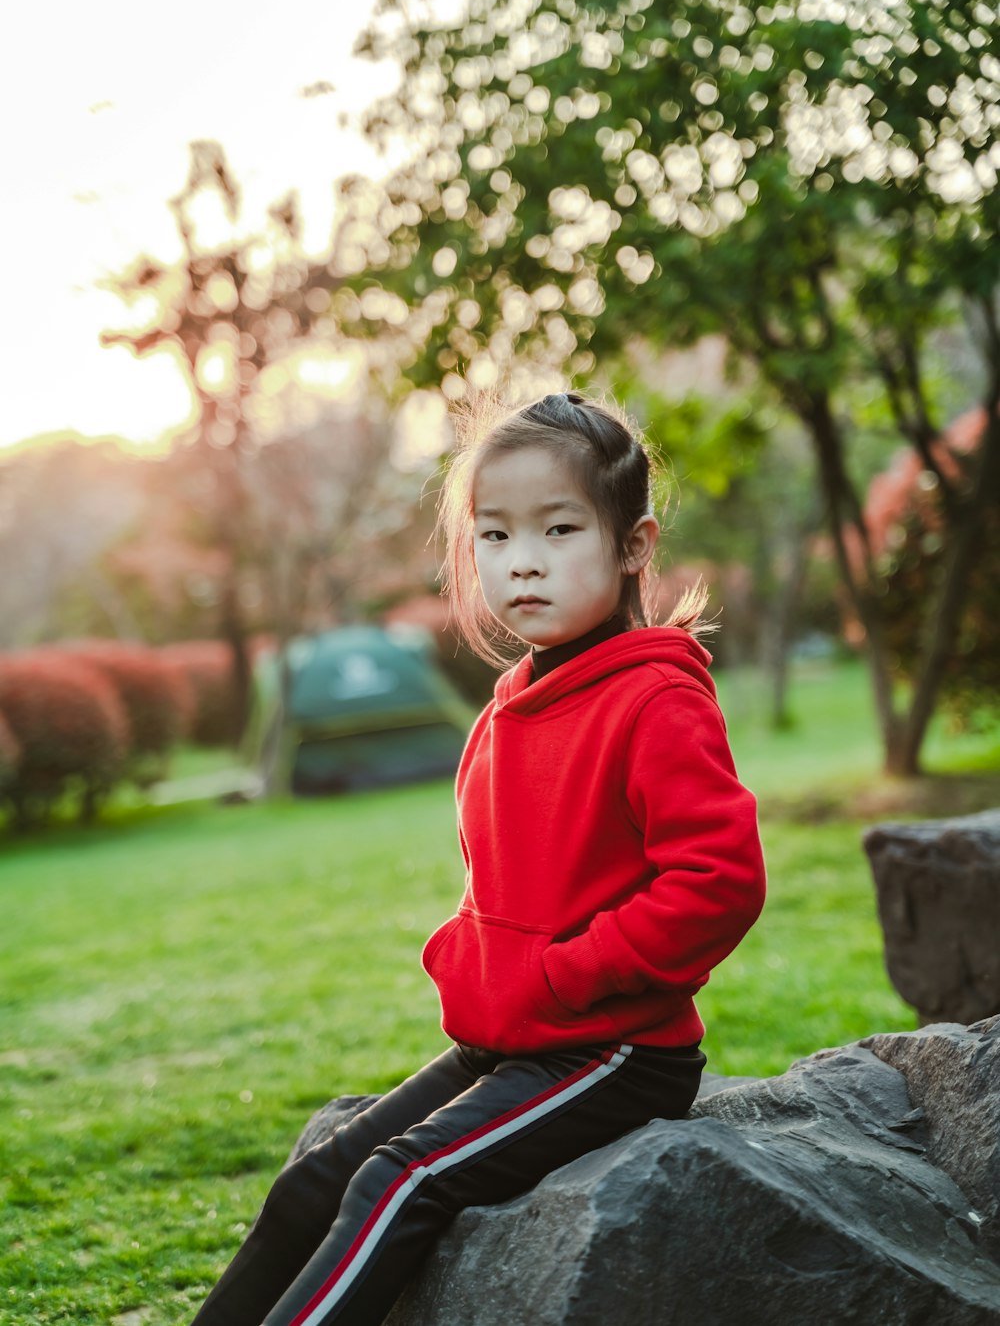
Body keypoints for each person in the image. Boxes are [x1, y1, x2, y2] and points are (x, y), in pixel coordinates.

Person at [191, 390, 766, 1326]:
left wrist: (567, 972)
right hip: (511, 1038)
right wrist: (471, 954)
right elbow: (501, 873)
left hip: (613, 1047)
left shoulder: (655, 700)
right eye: (494, 536)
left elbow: (720, 882)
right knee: (311, 1186)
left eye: (558, 528)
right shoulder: (513, 701)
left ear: (633, 545)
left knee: (398, 1177)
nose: (522, 561)